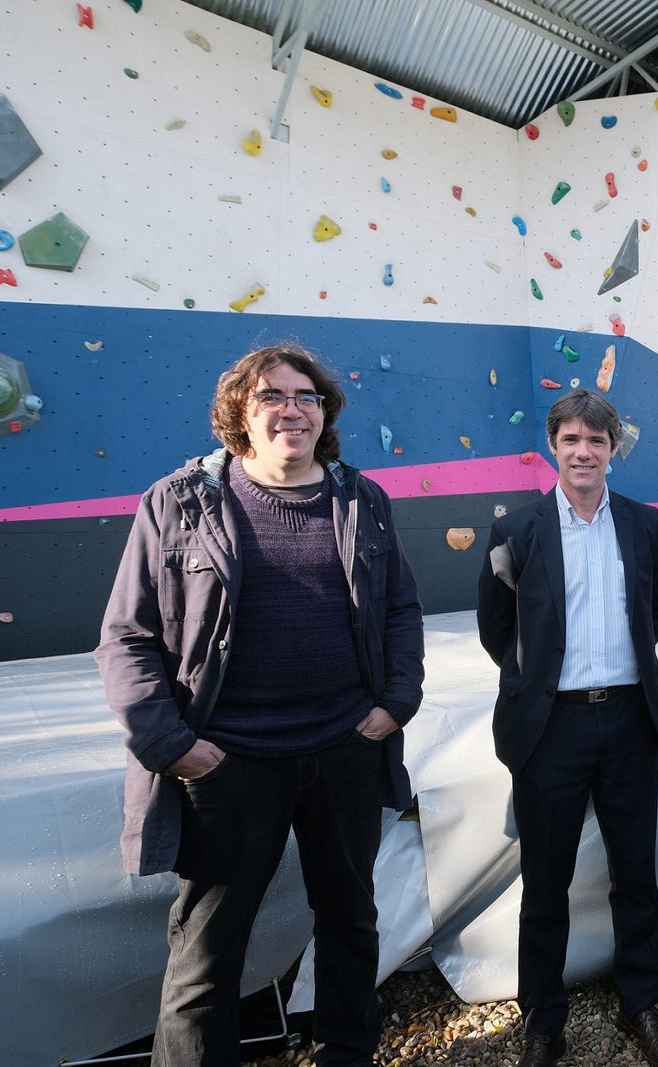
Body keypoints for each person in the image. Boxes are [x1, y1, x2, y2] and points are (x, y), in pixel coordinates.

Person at [96, 345, 424, 1066]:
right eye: (270, 395)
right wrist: (172, 744)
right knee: (208, 948)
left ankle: (347, 1053)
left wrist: (396, 702)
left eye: (307, 396)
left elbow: (401, 609)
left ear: (324, 412)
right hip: (228, 761)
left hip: (344, 749)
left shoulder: (361, 501)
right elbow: (126, 635)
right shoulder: (180, 502)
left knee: (350, 923)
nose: (291, 408)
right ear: (239, 414)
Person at [477, 390, 658, 1067]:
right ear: (553, 446)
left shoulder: (643, 524)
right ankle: (543, 1018)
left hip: (627, 718)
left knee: (636, 873)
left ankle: (640, 1003)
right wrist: (541, 685)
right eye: (570, 439)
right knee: (545, 882)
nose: (583, 451)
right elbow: (497, 629)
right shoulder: (516, 530)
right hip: (551, 726)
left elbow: (650, 614)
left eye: (596, 440)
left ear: (612, 447)